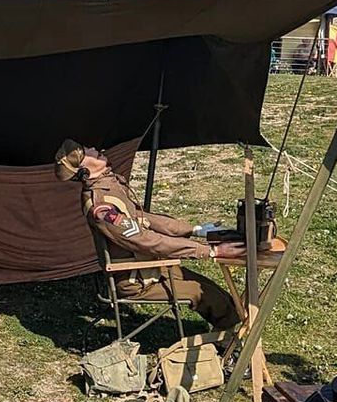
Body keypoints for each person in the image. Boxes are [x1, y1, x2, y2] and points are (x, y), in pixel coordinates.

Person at [55, 139, 242, 331]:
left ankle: (233, 333)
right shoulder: (101, 207)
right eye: (87, 152)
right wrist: (207, 251)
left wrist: (193, 229)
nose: (95, 149)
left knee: (210, 288)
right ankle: (234, 344)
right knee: (202, 294)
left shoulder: (110, 187)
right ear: (85, 171)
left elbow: (144, 218)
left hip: (148, 267)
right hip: (136, 280)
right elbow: (145, 240)